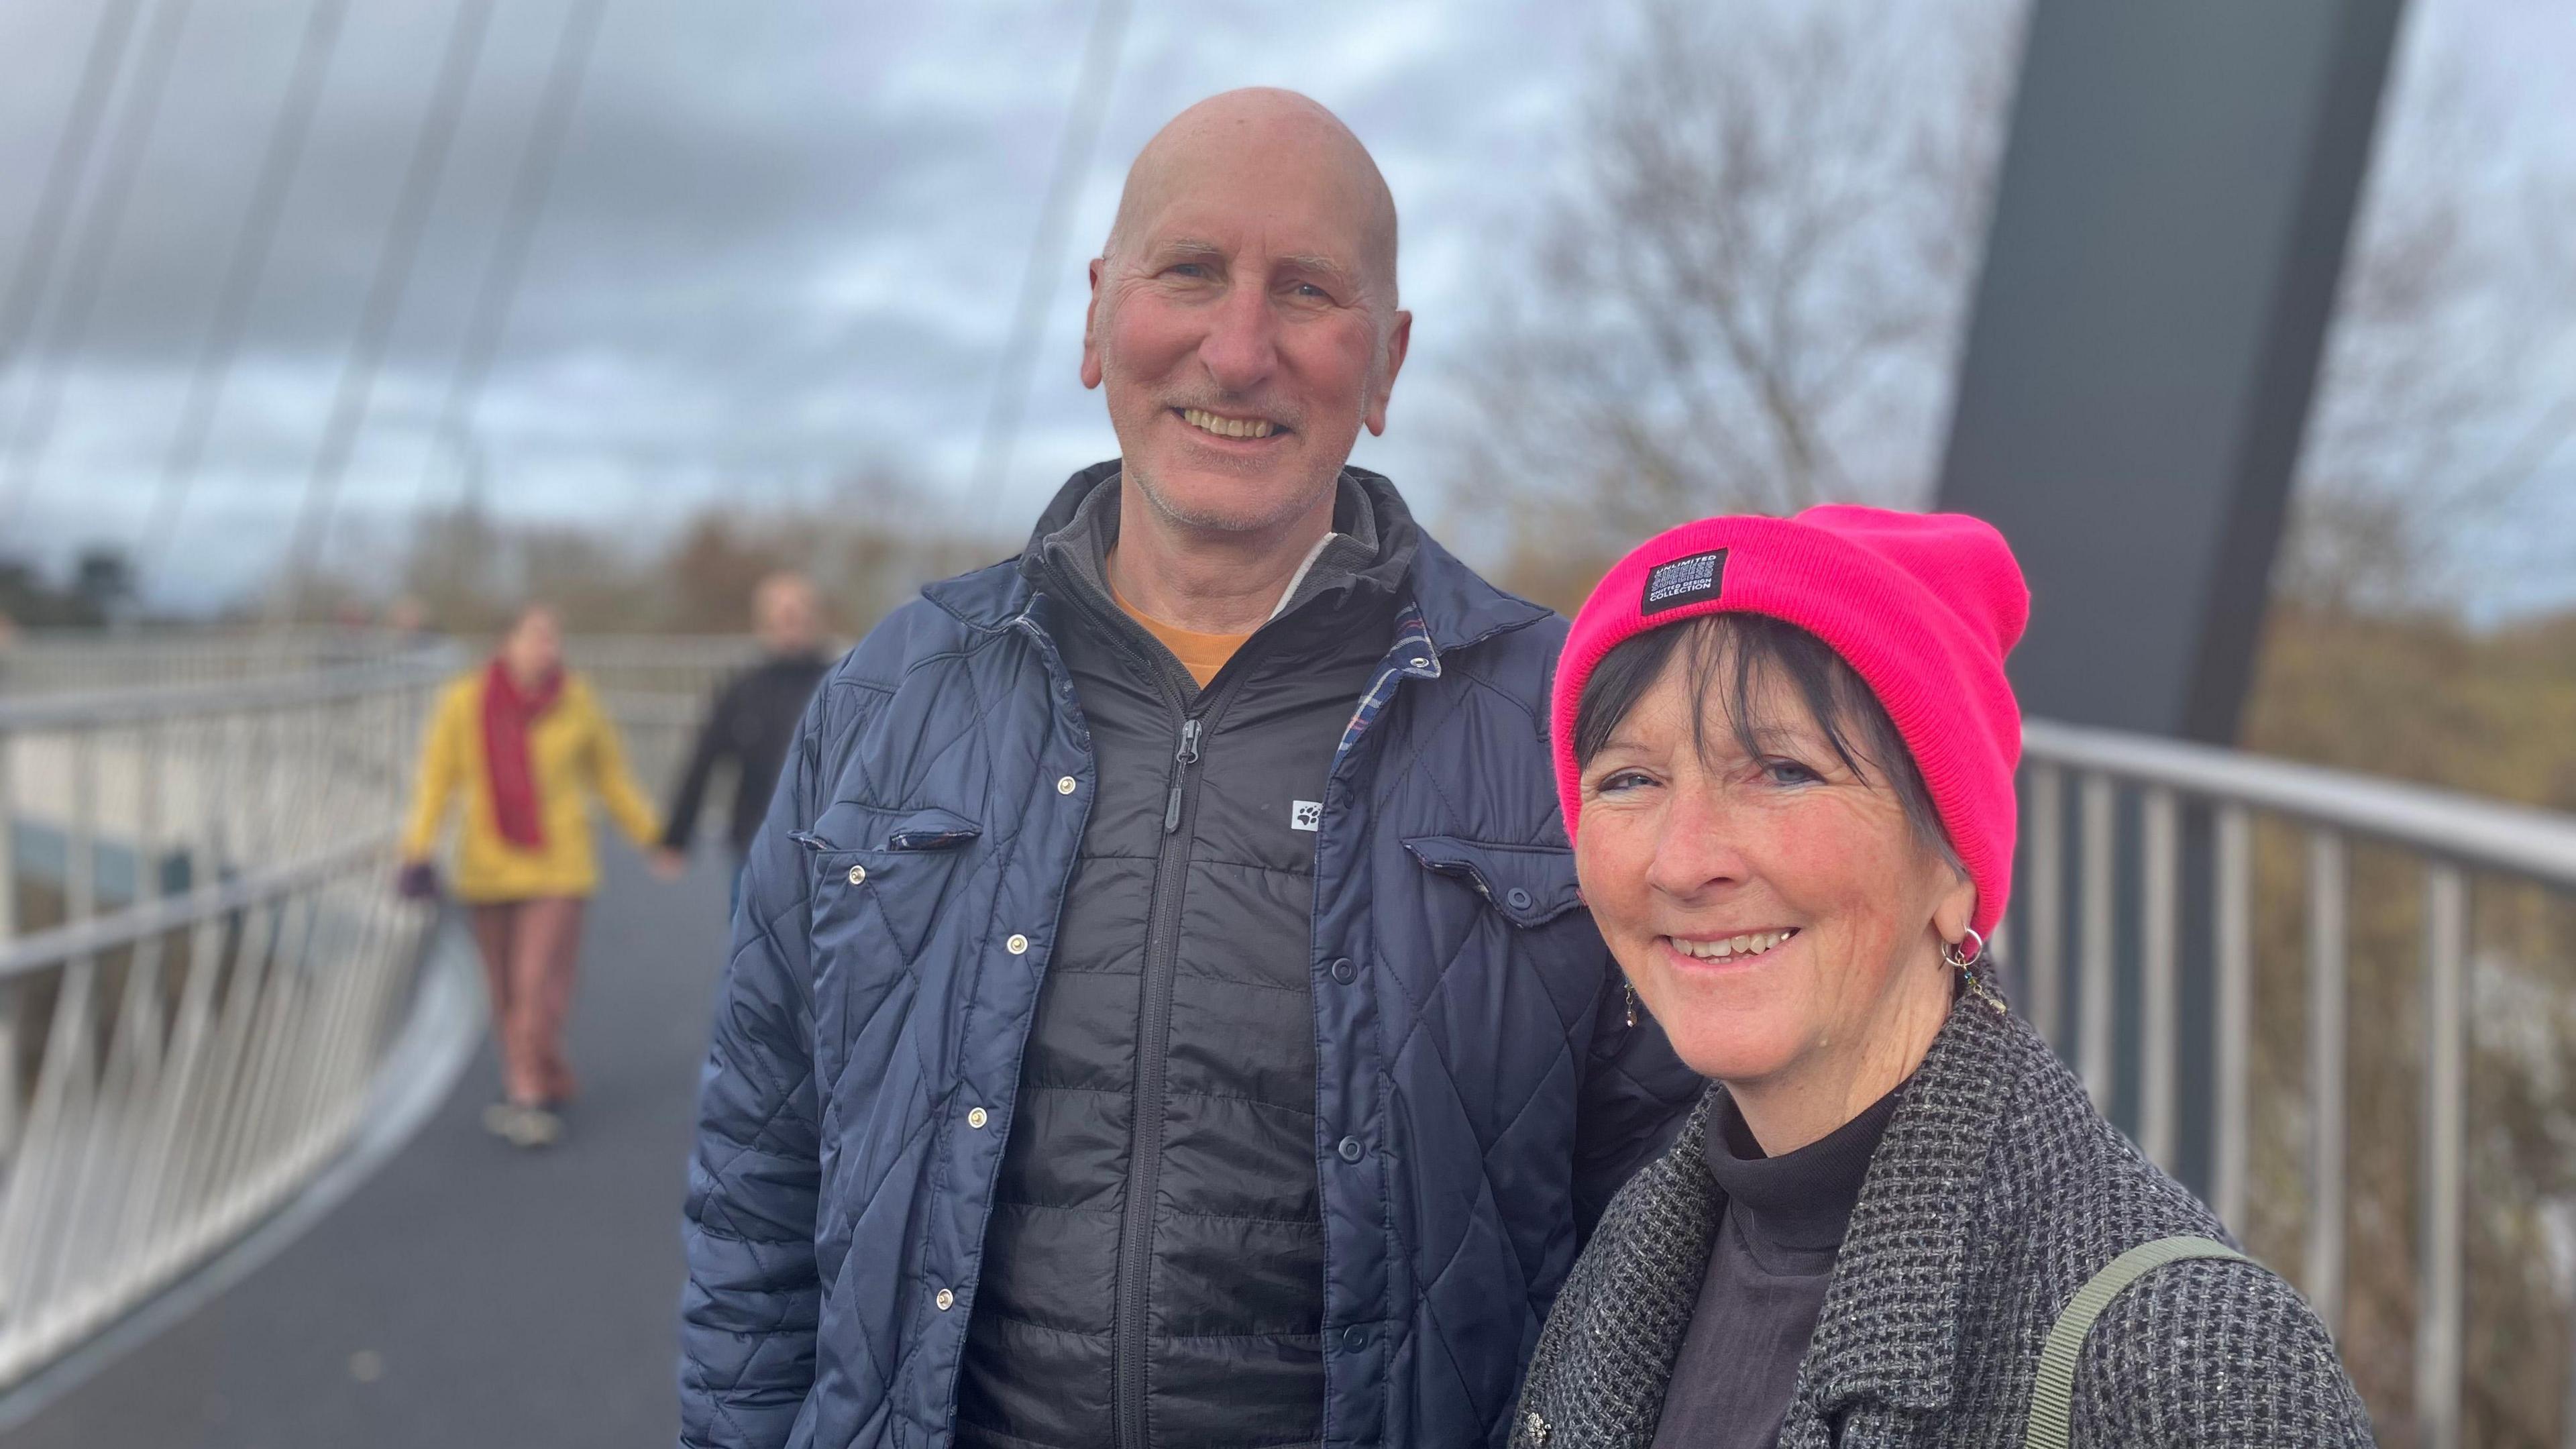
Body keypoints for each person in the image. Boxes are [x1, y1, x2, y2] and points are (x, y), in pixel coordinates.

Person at [679, 89, 1697, 1449]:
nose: (1238, 349)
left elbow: (1681, 1213)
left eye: (1309, 292)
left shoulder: (1559, 731)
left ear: (1385, 363)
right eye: (1192, 274)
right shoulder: (892, 694)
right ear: (1099, 317)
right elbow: (759, 1175)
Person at [1511, 508, 2372, 1446]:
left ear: (1953, 866)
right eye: (1629, 780)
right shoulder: (1641, 1244)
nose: (1684, 862)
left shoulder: (2182, 1353)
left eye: (1783, 771)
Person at [400, 604, 663, 1148]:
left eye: (554, 638)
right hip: (488, 865)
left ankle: (527, 1096)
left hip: (559, 865)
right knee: (502, 992)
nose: (550, 649)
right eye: (538, 637)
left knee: (536, 984)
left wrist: (654, 837)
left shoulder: (578, 701)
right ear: (507, 642)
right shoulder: (463, 702)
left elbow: (611, 777)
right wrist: (417, 851)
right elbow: (436, 781)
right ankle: (547, 1073)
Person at [651, 572, 834, 885]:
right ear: (762, 623)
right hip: (755, 845)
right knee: (750, 934)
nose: (789, 621)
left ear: (814, 618)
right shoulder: (742, 690)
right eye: (780, 614)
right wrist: (676, 838)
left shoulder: (839, 685)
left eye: (797, 612)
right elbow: (703, 760)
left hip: (827, 848)